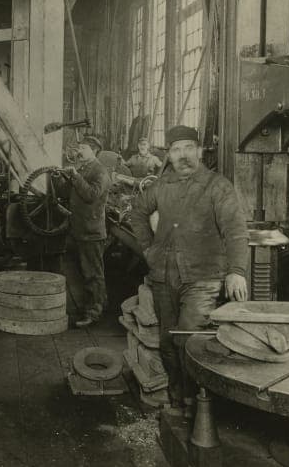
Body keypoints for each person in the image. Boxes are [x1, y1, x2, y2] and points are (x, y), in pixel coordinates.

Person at [129, 125, 249, 415]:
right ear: (169, 155)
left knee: (189, 341)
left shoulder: (217, 186)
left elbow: (235, 229)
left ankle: (198, 409)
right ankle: (178, 402)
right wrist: (148, 249)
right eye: (176, 149)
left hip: (203, 277)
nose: (182, 155)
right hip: (164, 275)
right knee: (168, 342)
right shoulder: (162, 185)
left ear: (200, 151)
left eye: (188, 148)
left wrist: (236, 270)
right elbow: (137, 212)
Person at [58, 135, 112, 328]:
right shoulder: (83, 168)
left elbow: (91, 195)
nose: (79, 151)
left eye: (83, 148)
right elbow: (65, 193)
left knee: (92, 274)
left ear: (94, 150)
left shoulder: (100, 171)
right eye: (79, 147)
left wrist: (75, 176)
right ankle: (94, 305)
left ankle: (94, 313)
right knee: (82, 272)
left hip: (91, 231)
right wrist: (62, 178)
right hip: (78, 228)